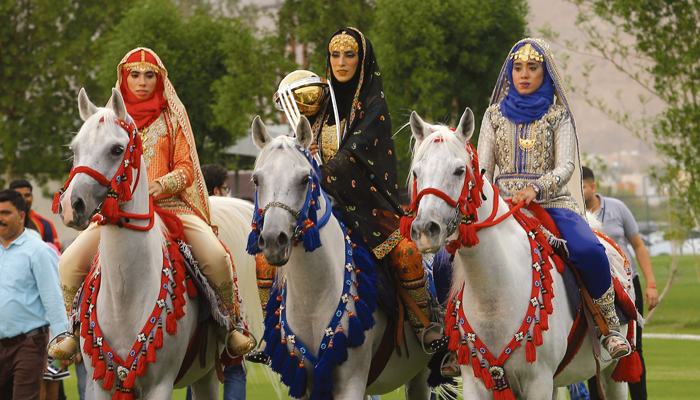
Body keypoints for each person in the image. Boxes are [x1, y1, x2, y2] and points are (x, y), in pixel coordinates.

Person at [49, 47, 254, 360]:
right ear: (123, 78)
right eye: (134, 75)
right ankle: (72, 330)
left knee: (216, 256)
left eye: (149, 75)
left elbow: (187, 167)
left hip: (171, 207)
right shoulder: (106, 124)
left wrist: (160, 185)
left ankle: (233, 323)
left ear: (159, 80)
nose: (141, 82)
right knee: (69, 263)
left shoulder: (172, 118)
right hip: (118, 211)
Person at [252, 28, 446, 356]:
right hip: (320, 202)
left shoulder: (375, 106)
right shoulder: (320, 107)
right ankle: (270, 332)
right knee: (263, 258)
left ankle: (426, 326)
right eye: (335, 55)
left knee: (407, 254)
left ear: (363, 60)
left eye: (350, 55)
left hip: (367, 207)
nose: (341, 62)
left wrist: (323, 173)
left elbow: (355, 152)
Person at [477, 38, 629, 358]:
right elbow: (482, 170)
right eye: (517, 68)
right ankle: (451, 339)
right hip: (502, 207)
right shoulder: (492, 116)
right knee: (451, 256)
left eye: (532, 68)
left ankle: (608, 326)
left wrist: (537, 189)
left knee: (588, 249)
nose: (524, 74)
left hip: (551, 203)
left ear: (544, 72)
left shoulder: (557, 115)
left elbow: (567, 166)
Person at [582, 166, 658, 400]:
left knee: (634, 347)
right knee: (593, 347)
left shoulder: (618, 208)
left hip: (627, 286)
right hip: (593, 287)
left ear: (593, 187)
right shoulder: (574, 213)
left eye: (582, 186)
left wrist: (651, 283)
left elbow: (638, 245)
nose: (579, 190)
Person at [0, 189, 68, 400]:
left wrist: (62, 344)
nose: (0, 219)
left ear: (22, 216)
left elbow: (53, 299)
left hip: (28, 343)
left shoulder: (38, 251)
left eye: (5, 213)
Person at [187, 164, 246, 400]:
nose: (227, 192)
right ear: (216, 190)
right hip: (221, 304)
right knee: (234, 372)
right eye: (225, 188)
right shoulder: (217, 216)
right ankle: (233, 326)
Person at [9, 179, 62, 251]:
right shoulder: (3, 223)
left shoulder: (45, 224)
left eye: (27, 195)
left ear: (32, 197)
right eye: (19, 195)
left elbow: (54, 254)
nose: (23, 199)